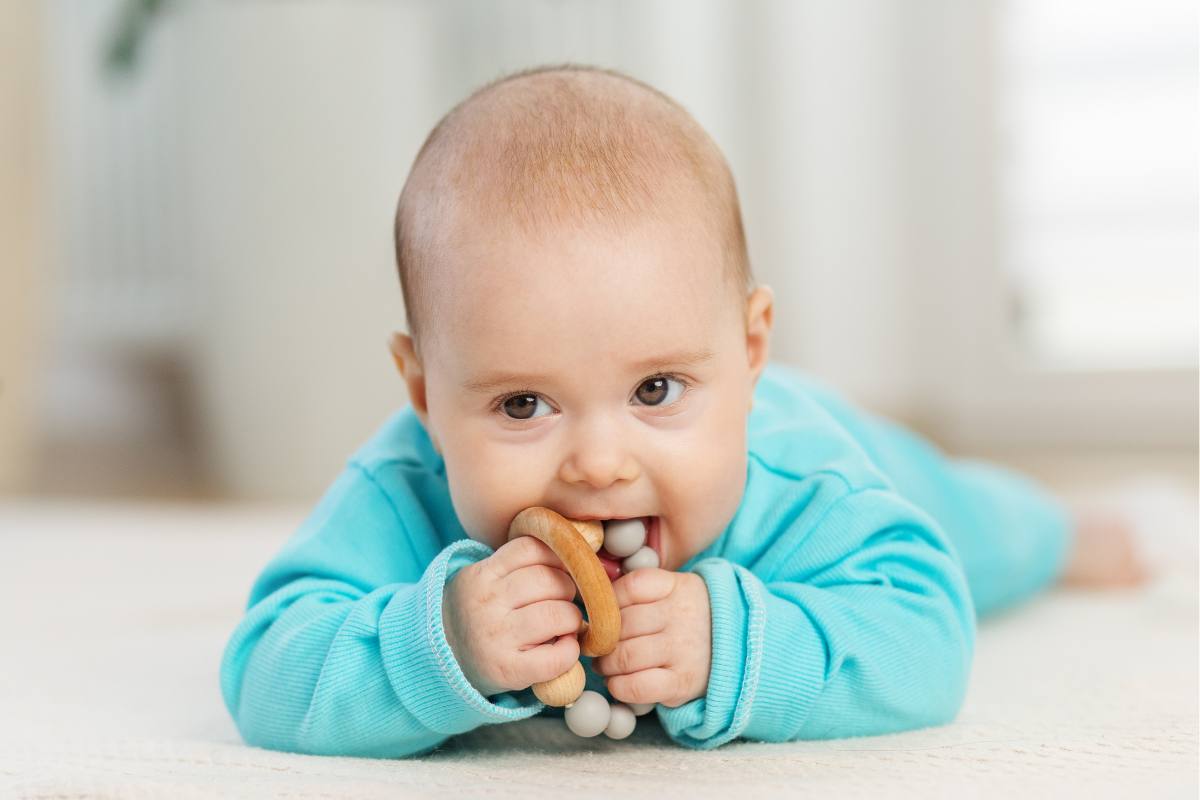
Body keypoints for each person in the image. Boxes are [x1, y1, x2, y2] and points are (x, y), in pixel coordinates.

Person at [219, 64, 1147, 758]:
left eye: (655, 390)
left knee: (981, 533)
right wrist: (441, 642)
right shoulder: (403, 491)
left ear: (748, 353)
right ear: (423, 392)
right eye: (523, 403)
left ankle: (1058, 530)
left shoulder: (802, 486)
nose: (597, 462)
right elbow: (266, 669)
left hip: (844, 448)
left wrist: (743, 646)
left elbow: (928, 640)